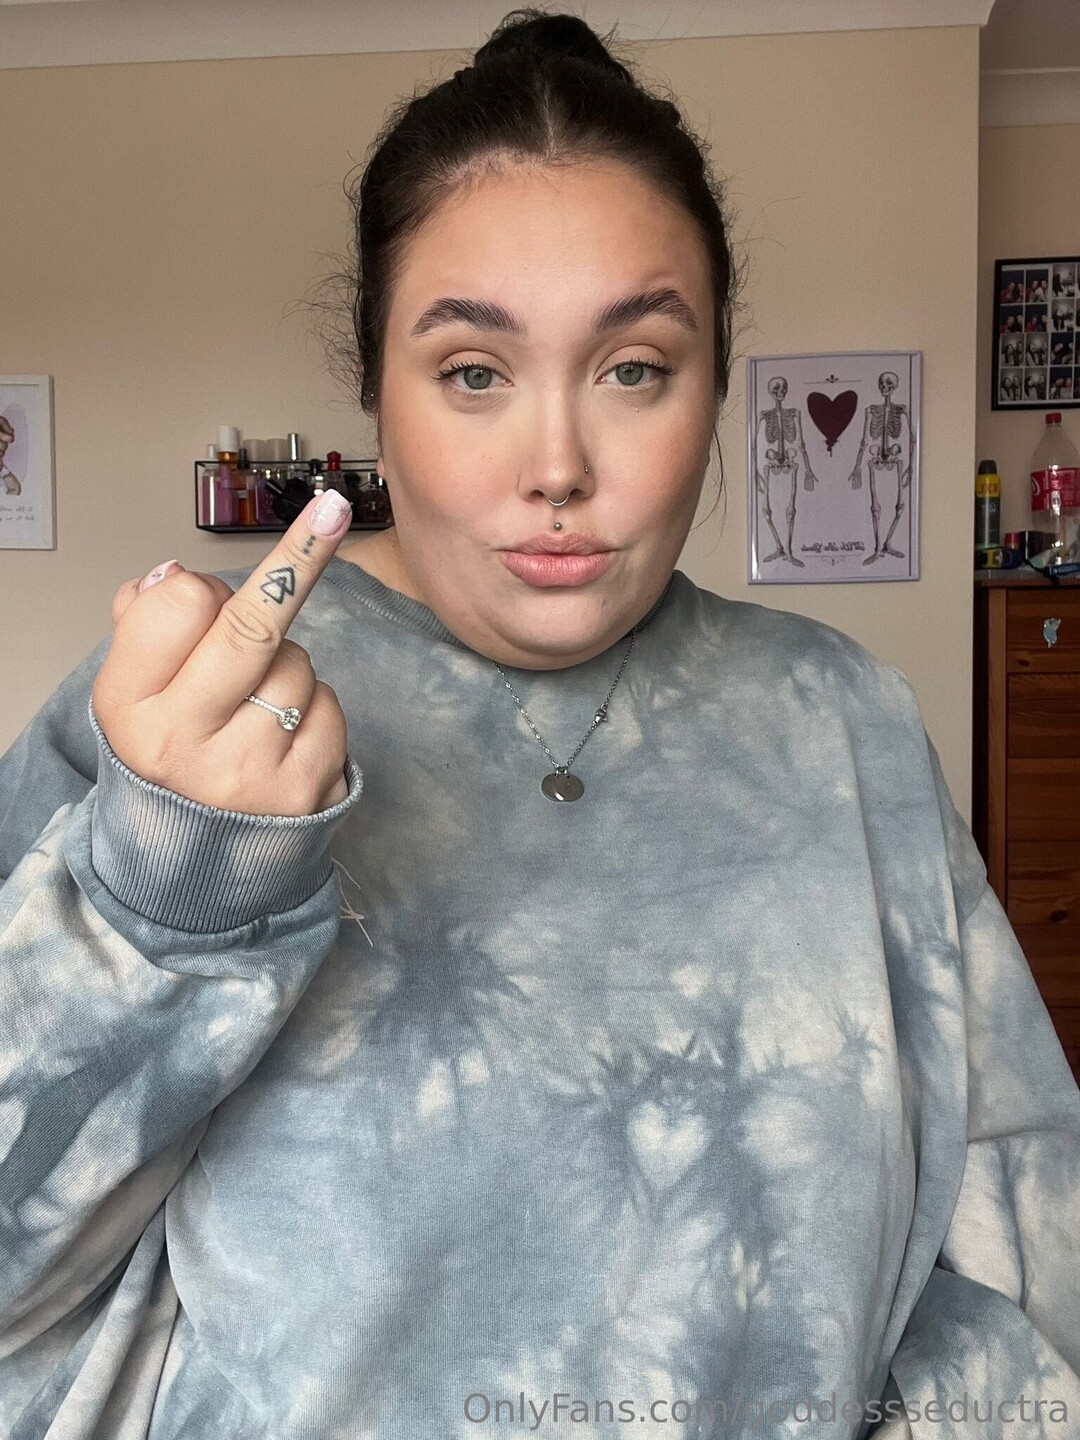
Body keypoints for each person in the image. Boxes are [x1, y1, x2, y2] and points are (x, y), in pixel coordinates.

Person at [1, 10, 1078, 1438]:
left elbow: (1018, 1237)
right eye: (474, 372)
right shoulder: (193, 713)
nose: (558, 466)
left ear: (714, 382)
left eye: (634, 367)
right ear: (374, 389)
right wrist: (163, 902)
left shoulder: (844, 721)